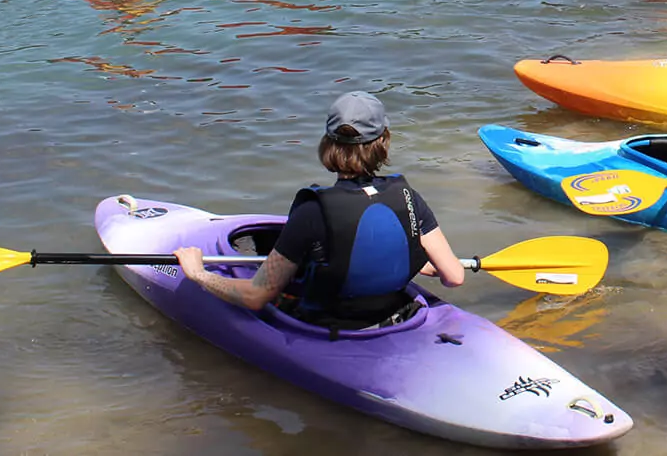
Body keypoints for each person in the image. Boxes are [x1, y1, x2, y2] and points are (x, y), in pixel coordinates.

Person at [174, 92, 466, 328]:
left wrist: (198, 273)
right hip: (392, 317)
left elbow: (255, 296)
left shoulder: (313, 211)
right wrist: (406, 260)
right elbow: (454, 276)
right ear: (383, 143)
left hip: (331, 327)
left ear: (328, 143)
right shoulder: (409, 197)